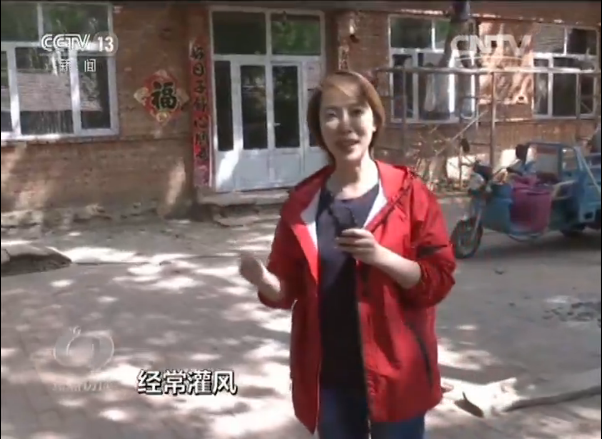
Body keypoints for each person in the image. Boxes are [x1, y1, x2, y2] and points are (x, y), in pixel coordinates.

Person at [239, 70, 456, 439]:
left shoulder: (409, 194)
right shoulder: (303, 204)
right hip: (330, 380)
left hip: (398, 374)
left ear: (374, 121)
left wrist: (382, 257)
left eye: (356, 111)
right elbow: (286, 292)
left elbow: (438, 280)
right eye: (331, 115)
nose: (345, 125)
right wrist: (263, 279)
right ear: (319, 129)